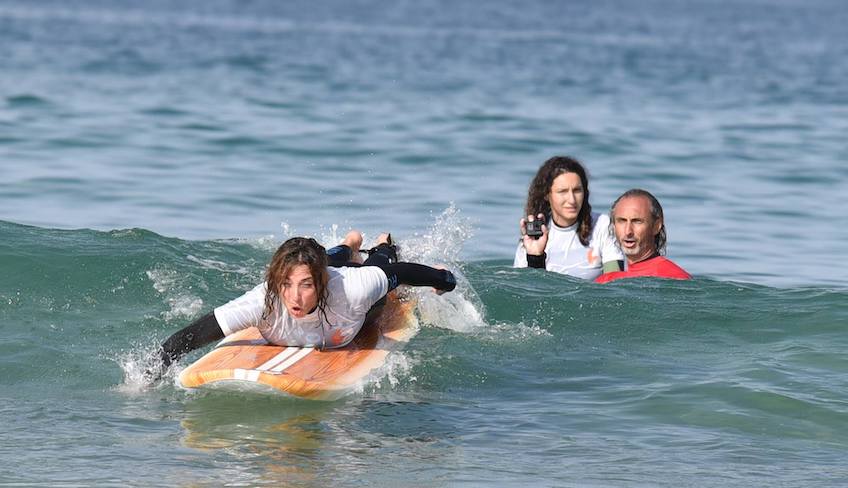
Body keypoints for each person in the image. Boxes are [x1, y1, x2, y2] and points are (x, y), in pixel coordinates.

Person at [149, 231, 456, 379]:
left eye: (306, 286)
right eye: (286, 285)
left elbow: (399, 274)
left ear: (320, 284)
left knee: (377, 261)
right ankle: (350, 245)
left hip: (361, 310)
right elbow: (186, 338)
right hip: (325, 268)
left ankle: (381, 243)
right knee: (324, 258)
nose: (294, 297)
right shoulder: (263, 301)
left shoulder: (352, 289)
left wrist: (443, 279)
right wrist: (150, 376)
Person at [514, 155, 623, 280]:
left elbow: (614, 283)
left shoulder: (602, 225)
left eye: (577, 190)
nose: (572, 200)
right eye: (563, 191)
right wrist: (535, 256)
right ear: (546, 195)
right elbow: (528, 291)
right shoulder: (534, 236)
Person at [595, 189, 691, 284]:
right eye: (622, 221)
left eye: (637, 221)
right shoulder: (608, 279)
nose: (628, 231)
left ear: (656, 226)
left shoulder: (674, 277)